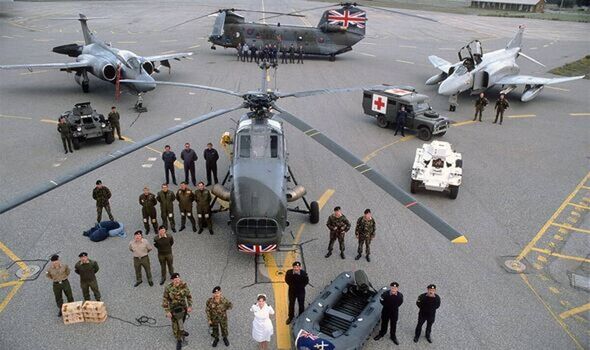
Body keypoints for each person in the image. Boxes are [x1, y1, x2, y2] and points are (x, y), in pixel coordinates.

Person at [163, 273, 193, 350]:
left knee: (182, 321)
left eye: (178, 279)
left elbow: (188, 296)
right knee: (175, 325)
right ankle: (179, 339)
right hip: (173, 309)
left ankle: (182, 331)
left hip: (183, 308)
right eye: (175, 280)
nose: (177, 281)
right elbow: (165, 299)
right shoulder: (168, 288)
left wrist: (189, 306)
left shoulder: (184, 285)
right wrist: (167, 311)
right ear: (172, 280)